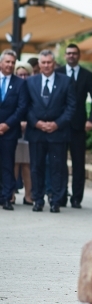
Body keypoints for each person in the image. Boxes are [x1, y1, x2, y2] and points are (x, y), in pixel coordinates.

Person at [26, 50, 76, 213]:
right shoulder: (30, 81)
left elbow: (71, 107)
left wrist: (57, 124)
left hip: (58, 133)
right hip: (37, 132)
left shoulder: (66, 81)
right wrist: (37, 123)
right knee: (36, 167)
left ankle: (56, 200)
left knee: (57, 167)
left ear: (53, 63)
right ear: (39, 64)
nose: (46, 65)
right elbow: (25, 106)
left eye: (49, 62)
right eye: (43, 62)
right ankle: (37, 200)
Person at [56, 43, 92, 209]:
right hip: (60, 124)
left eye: (74, 53)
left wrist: (91, 120)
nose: (71, 56)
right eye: (68, 53)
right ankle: (60, 196)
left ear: (78, 55)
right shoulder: (58, 73)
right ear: (65, 56)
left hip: (79, 126)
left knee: (78, 164)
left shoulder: (87, 75)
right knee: (59, 162)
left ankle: (76, 199)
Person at [0, 51, 29, 210]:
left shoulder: (20, 83)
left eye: (13, 62)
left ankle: (6, 198)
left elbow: (22, 107)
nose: (10, 65)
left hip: (9, 131)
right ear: (1, 63)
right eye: (7, 62)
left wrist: (6, 125)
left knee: (7, 164)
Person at [13, 63, 32, 206]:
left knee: (27, 164)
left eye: (26, 74)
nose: (23, 77)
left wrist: (28, 123)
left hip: (30, 130)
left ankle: (28, 195)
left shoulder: (33, 88)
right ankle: (11, 194)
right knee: (14, 163)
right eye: (20, 74)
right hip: (14, 128)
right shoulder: (13, 87)